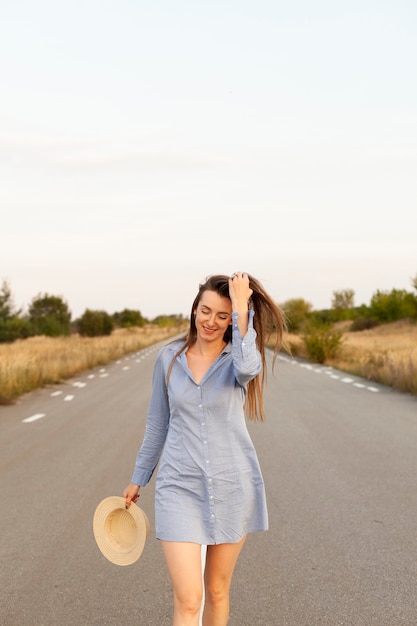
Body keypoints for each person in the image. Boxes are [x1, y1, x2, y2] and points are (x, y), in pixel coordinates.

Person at [123, 272, 286, 626]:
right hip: (178, 487)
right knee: (188, 598)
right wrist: (138, 479)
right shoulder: (168, 359)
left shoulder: (237, 361)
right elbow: (157, 423)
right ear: (194, 309)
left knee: (216, 591)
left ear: (232, 321)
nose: (211, 321)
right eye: (206, 311)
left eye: (223, 315)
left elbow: (248, 366)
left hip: (232, 487)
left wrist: (244, 307)